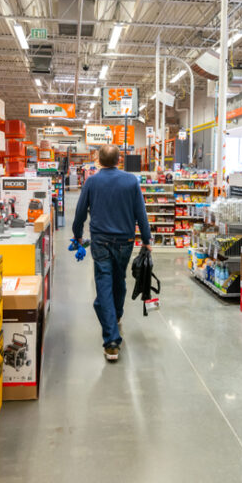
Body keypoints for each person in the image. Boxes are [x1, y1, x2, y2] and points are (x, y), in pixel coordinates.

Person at [72, 144, 152, 362]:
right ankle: (115, 319)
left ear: (99, 160)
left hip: (101, 242)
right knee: (119, 281)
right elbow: (140, 212)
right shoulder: (131, 181)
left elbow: (80, 211)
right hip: (125, 241)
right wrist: (146, 239)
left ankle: (111, 342)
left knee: (104, 284)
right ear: (119, 160)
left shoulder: (92, 181)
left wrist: (77, 234)